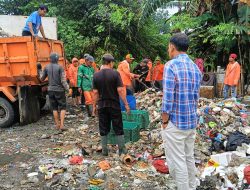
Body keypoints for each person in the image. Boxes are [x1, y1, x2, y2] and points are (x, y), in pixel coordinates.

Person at [161, 33, 202, 190]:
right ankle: (192, 186)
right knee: (188, 157)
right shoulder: (195, 67)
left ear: (172, 46)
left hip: (176, 123)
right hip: (191, 122)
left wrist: (164, 121)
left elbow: (167, 99)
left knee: (178, 161)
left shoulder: (171, 66)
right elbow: (195, 96)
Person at [92, 54, 130, 156]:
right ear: (110, 62)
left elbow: (95, 93)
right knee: (118, 126)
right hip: (114, 105)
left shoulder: (96, 75)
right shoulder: (115, 74)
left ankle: (105, 151)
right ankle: (122, 150)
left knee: (103, 127)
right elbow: (120, 90)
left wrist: (94, 106)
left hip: (102, 105)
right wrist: (126, 104)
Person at [41, 53, 69, 131]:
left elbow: (42, 79)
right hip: (59, 90)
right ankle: (62, 125)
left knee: (54, 108)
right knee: (63, 107)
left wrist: (39, 70)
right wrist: (68, 89)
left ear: (50, 59)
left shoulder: (46, 67)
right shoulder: (60, 67)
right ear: (57, 59)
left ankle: (57, 125)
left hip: (50, 90)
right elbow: (63, 81)